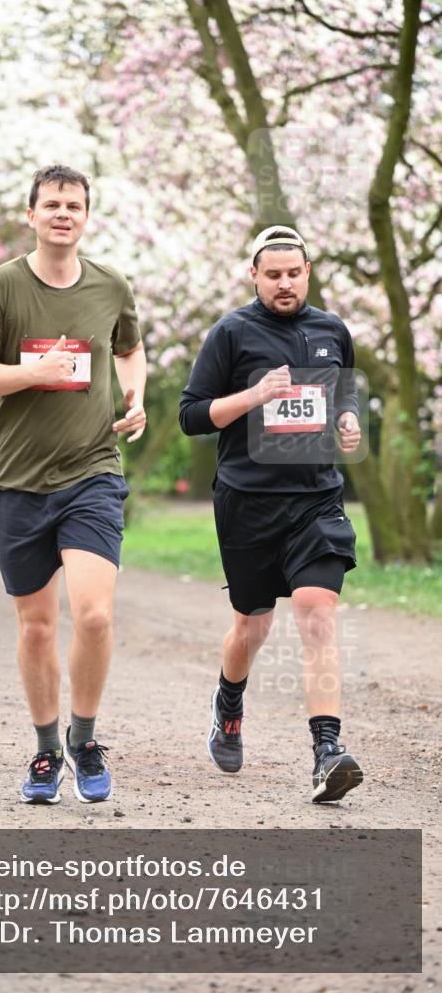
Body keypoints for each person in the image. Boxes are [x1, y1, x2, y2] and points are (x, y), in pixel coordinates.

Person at [0, 164, 146, 804]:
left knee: (93, 614)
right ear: (32, 215)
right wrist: (33, 372)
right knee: (37, 627)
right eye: (53, 204)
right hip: (17, 480)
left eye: (74, 205)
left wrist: (135, 396)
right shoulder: (2, 286)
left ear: (86, 216)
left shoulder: (110, 285)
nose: (64, 214)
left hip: (92, 472)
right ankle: (45, 751)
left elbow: (129, 348)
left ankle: (84, 741)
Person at [179, 226, 363, 803]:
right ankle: (229, 704)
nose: (285, 284)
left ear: (307, 273)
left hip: (316, 499)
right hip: (248, 501)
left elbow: (344, 392)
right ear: (254, 276)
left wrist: (349, 419)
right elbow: (191, 415)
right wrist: (252, 396)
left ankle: (327, 752)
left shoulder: (332, 330)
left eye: (294, 273)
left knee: (317, 613)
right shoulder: (232, 333)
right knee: (251, 625)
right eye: (273, 274)